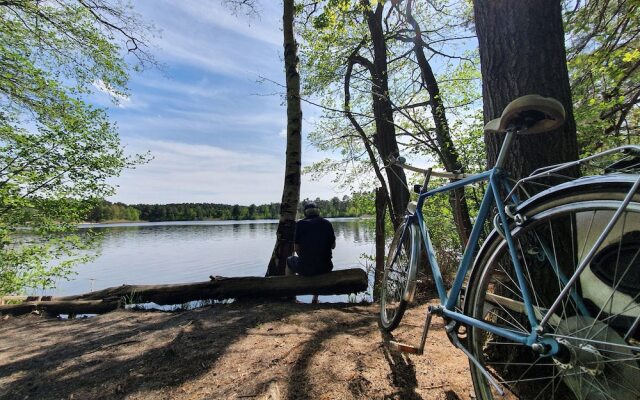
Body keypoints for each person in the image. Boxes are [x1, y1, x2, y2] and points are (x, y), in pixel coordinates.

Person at [286, 202, 336, 303]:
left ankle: (291, 296)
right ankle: (315, 298)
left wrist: (306, 259)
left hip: (306, 268)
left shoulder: (300, 224)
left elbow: (296, 248)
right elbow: (333, 246)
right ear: (318, 211)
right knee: (318, 262)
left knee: (289, 260)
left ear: (305, 213)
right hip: (325, 267)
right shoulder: (327, 223)